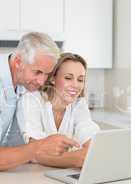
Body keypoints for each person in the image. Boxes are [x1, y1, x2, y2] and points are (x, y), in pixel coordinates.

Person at [0, 33, 79, 171]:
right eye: (37, 72)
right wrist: (38, 147)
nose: (42, 81)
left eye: (47, 74)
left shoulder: (24, 85)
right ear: (18, 62)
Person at [17, 53, 100, 168]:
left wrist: (90, 152)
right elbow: (36, 152)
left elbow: (91, 140)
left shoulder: (79, 104)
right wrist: (75, 159)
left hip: (56, 173)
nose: (76, 85)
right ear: (52, 78)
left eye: (80, 80)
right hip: (26, 174)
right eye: (68, 78)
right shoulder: (31, 100)